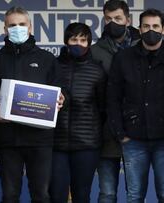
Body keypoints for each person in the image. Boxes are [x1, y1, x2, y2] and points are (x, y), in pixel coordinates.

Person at [0, 6, 64, 203]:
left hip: (40, 139)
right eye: (12, 25)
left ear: (30, 27)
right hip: (7, 140)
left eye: (22, 24)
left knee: (41, 196)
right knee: (9, 196)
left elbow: (60, 90)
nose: (17, 28)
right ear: (5, 29)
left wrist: (61, 99)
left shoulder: (47, 59)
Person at [107, 8, 164, 203]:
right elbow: (112, 98)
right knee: (134, 196)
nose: (151, 30)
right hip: (133, 140)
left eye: (155, 26)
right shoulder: (123, 58)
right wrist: (120, 134)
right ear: (138, 29)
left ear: (163, 29)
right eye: (146, 26)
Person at [49, 22, 106, 203]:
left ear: (89, 43)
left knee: (82, 196)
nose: (78, 44)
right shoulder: (53, 66)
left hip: (87, 145)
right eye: (74, 39)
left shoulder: (97, 70)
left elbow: (103, 108)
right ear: (66, 41)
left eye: (83, 40)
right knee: (56, 195)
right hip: (55, 144)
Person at [90, 1, 140, 202]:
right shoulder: (94, 51)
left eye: (118, 18)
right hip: (105, 131)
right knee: (107, 193)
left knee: (135, 193)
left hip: (138, 132)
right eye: (108, 19)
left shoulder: (144, 47)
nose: (113, 23)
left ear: (128, 20)